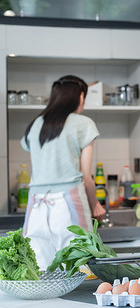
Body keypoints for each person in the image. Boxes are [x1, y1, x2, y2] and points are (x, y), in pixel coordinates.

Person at [21, 75, 106, 269]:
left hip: (36, 206)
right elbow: (86, 176)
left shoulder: (35, 125)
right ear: (81, 96)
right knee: (78, 268)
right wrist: (95, 205)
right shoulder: (83, 124)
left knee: (39, 271)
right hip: (68, 203)